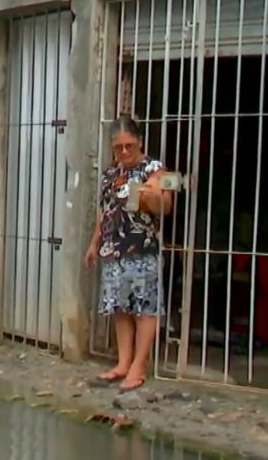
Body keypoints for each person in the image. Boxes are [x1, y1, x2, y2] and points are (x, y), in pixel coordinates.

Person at [84, 116, 172, 392]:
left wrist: (151, 196)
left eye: (129, 146)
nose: (123, 152)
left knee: (144, 308)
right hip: (114, 248)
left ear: (140, 141)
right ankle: (123, 362)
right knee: (121, 307)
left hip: (142, 248)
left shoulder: (156, 169)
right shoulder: (111, 172)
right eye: (118, 147)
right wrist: (95, 242)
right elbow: (105, 211)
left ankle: (139, 365)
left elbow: (167, 205)